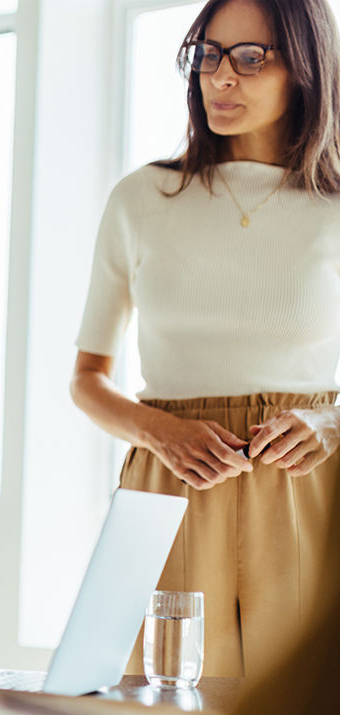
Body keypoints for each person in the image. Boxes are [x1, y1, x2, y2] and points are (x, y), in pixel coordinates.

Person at [71, 0, 340, 679]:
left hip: (311, 489)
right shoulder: (141, 199)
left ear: (307, 70)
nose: (220, 78)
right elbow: (88, 378)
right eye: (207, 55)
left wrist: (330, 421)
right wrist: (160, 431)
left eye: (251, 58)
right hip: (167, 480)